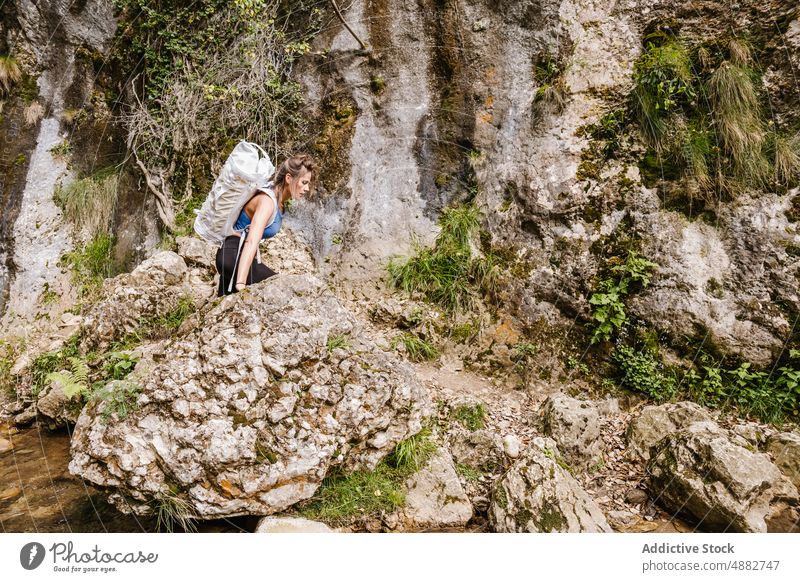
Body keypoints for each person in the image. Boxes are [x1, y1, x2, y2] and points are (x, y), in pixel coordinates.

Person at [215, 154, 317, 296]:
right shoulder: (267, 202)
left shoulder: (279, 203)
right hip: (232, 255)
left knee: (225, 308)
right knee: (282, 287)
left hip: (237, 257)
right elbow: (251, 241)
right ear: (289, 178)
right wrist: (241, 283)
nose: (306, 189)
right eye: (304, 182)